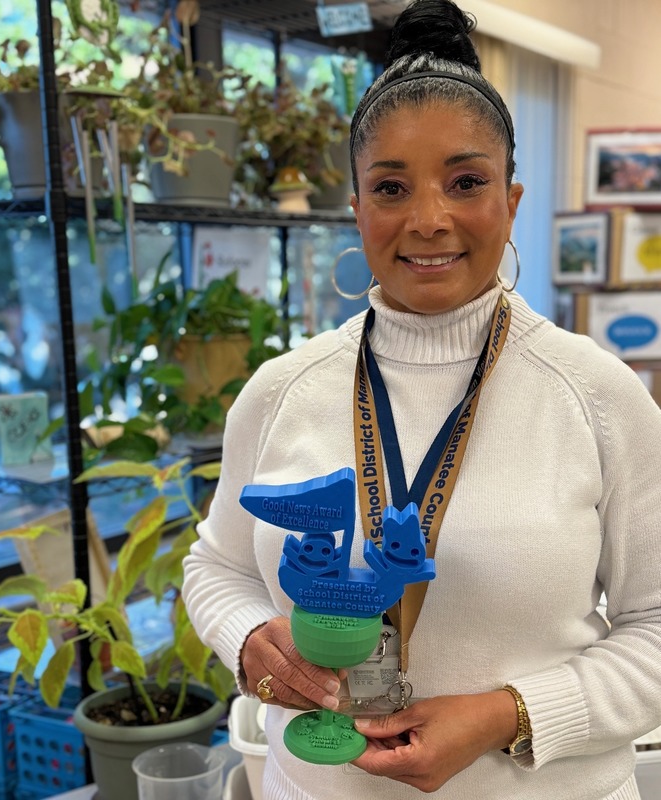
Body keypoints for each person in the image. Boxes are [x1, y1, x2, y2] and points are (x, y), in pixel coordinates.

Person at [182, 1, 661, 797]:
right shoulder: (279, 392)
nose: (428, 220)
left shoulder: (596, 395)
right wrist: (245, 641)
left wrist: (506, 714)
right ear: (358, 209)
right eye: (392, 187)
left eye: (465, 182)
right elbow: (216, 566)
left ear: (508, 202)